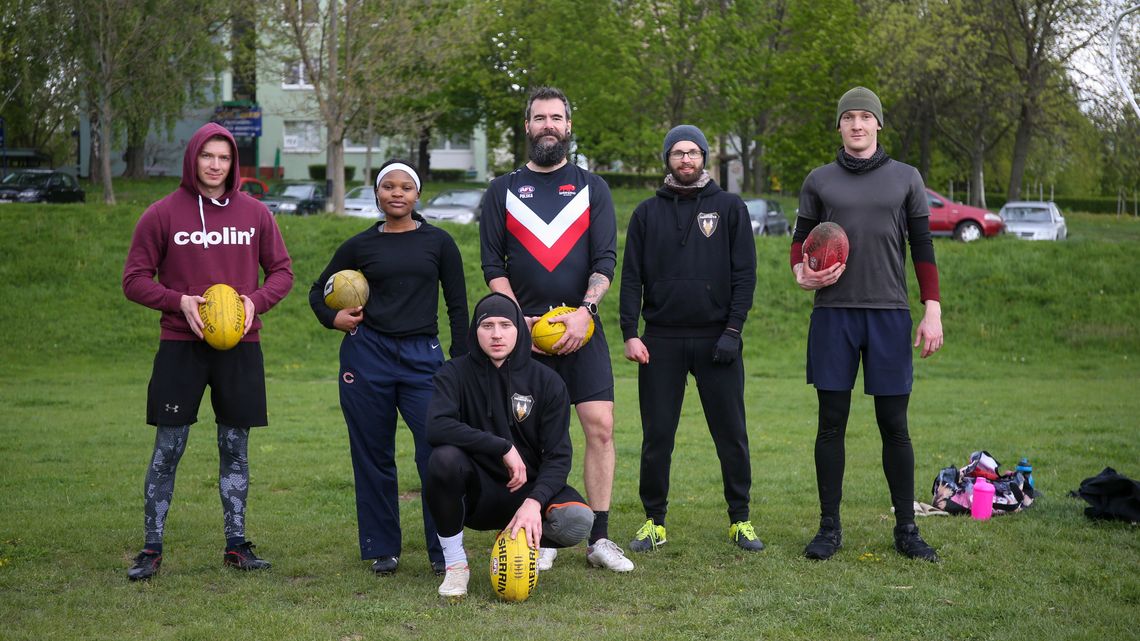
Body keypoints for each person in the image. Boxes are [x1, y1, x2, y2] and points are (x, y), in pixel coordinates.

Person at [122, 122, 294, 580]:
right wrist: (176, 299)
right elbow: (134, 280)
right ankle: (151, 548)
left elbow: (282, 272)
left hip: (241, 346)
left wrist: (251, 304)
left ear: (232, 163)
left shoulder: (256, 213)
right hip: (181, 346)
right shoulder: (162, 214)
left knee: (235, 447)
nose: (215, 165)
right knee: (168, 447)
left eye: (224, 158)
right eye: (207, 156)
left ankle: (236, 545)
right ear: (193, 158)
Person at [479, 86, 633, 573]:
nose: (548, 125)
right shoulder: (502, 189)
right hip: (525, 338)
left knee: (600, 428)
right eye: (539, 117)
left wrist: (586, 310)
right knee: (532, 439)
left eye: (556, 118)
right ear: (527, 127)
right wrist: (514, 319)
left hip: (581, 330)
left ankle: (600, 539)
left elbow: (605, 259)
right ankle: (541, 532)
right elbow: (491, 263)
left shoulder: (593, 188)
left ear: (568, 126)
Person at [792, 86, 944, 562]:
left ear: (878, 124)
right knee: (830, 424)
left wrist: (932, 308)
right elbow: (799, 247)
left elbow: (923, 247)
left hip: (889, 314)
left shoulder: (906, 178)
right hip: (834, 315)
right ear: (839, 125)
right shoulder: (819, 180)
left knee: (894, 424)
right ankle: (829, 529)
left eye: (865, 117)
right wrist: (802, 274)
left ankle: (907, 528)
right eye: (848, 117)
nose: (857, 125)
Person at [308, 159, 468, 577]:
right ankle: (383, 548)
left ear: (418, 195)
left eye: (405, 187)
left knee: (437, 453)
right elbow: (316, 292)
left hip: (423, 358)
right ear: (377, 194)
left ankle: (444, 549)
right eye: (388, 187)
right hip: (368, 356)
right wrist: (334, 319)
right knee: (372, 454)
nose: (397, 193)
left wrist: (463, 360)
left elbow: (457, 305)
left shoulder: (439, 242)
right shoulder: (360, 246)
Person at [619, 125, 763, 554]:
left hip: (718, 340)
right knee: (657, 435)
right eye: (678, 153)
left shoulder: (729, 207)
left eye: (693, 152)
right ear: (667, 158)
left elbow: (745, 275)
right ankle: (654, 522)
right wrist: (630, 332)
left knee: (731, 434)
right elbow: (631, 278)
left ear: (704, 157)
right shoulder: (646, 213)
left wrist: (733, 331)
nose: (686, 159)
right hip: (661, 340)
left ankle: (741, 520)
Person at [426, 293, 596, 598]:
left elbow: (559, 456)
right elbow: (436, 426)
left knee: (577, 520)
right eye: (487, 326)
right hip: (477, 493)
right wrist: (501, 446)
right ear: (474, 331)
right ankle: (455, 566)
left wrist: (535, 501)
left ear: (519, 329)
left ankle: (518, 542)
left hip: (527, 490)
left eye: (505, 325)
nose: (496, 334)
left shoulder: (547, 381)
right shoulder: (454, 373)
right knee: (442, 460)